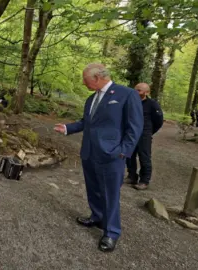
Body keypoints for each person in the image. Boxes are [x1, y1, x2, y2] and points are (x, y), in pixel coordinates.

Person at [54, 63, 143, 252]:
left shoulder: (126, 94)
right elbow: (86, 123)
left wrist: (123, 151)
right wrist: (68, 128)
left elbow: (135, 127)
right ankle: (97, 217)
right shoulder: (90, 99)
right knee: (93, 188)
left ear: (97, 77)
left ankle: (111, 233)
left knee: (110, 194)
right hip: (89, 152)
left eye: (85, 79)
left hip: (112, 155)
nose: (83, 83)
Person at [126, 83, 163, 190]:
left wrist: (149, 131)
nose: (136, 92)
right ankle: (132, 176)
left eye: (139, 90)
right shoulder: (131, 102)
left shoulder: (152, 104)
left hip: (144, 134)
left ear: (146, 92)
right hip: (131, 133)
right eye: (135, 90)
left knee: (144, 157)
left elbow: (159, 121)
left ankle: (144, 181)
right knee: (129, 155)